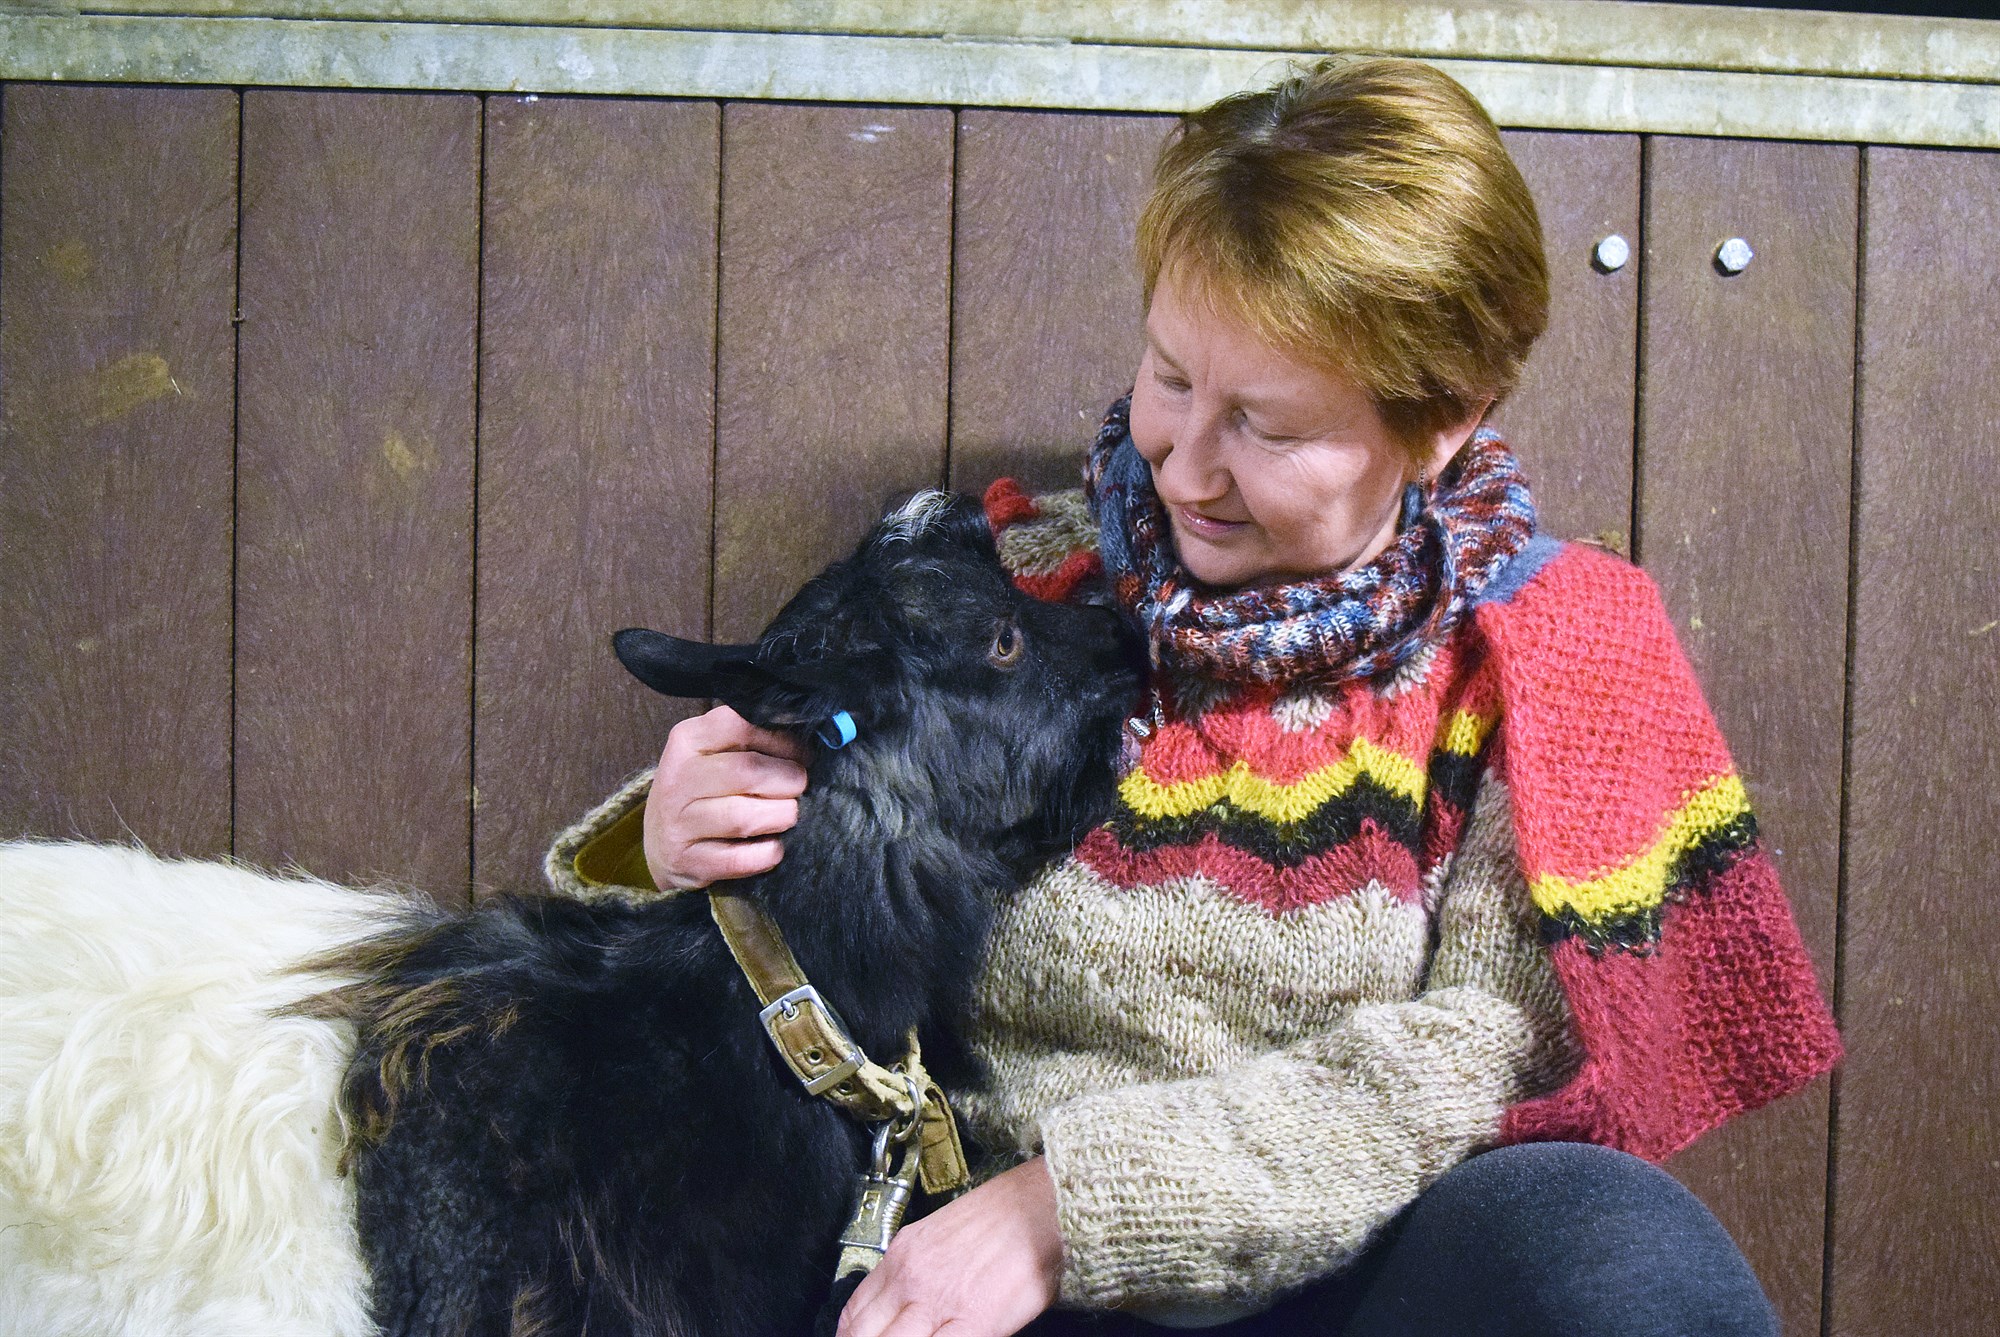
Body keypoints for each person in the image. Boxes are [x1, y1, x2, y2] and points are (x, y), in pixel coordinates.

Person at [543, 57, 1841, 1336]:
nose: (1183, 465)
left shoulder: (1541, 656)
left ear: (1444, 417)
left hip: (1351, 1273)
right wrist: (669, 837)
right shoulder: (1016, 579)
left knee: (1614, 1246)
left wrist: (1075, 1205)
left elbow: (1472, 1058)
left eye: (1267, 426)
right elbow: (798, 882)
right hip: (974, 1262)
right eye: (1170, 373)